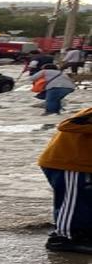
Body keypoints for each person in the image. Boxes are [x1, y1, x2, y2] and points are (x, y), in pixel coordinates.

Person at [38, 106, 92, 255]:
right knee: (72, 201)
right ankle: (64, 238)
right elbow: (66, 125)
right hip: (68, 162)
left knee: (84, 200)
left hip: (81, 164)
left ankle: (82, 233)